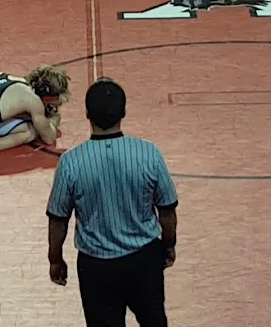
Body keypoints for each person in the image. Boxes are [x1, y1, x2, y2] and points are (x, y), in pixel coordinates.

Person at [45, 77, 178, 327]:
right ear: (124, 112)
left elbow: (58, 219)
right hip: (143, 260)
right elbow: (167, 210)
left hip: (97, 267)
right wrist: (168, 245)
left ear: (87, 114)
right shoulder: (149, 153)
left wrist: (55, 259)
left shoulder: (71, 162)